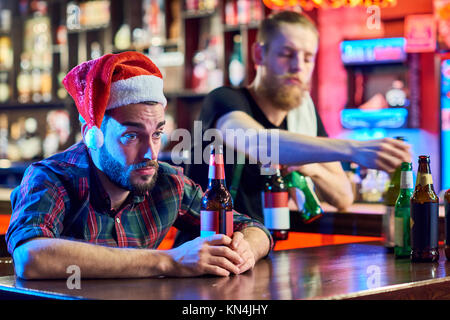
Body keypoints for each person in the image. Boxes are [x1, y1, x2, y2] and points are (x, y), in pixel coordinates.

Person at [5, 51, 272, 280]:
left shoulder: (168, 183)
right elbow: (30, 257)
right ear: (92, 134)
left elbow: (255, 229)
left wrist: (245, 248)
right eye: (131, 136)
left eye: (157, 134)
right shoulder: (51, 178)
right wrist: (170, 261)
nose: (150, 152)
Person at [182, 10, 411, 237]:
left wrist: (309, 166)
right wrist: (354, 149)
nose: (298, 66)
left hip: (259, 250)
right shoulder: (224, 100)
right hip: (204, 254)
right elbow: (260, 143)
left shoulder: (303, 115)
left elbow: (343, 197)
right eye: (287, 54)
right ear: (259, 54)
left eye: (308, 57)